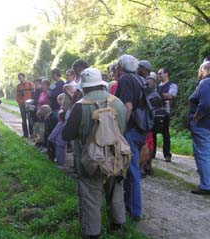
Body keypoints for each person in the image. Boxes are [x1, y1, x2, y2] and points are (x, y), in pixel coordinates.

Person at [62, 68, 127, 238]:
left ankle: (92, 233)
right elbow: (122, 129)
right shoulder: (118, 103)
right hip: (116, 156)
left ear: (84, 87)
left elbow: (66, 135)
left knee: (90, 195)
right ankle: (118, 225)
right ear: (101, 83)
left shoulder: (79, 107)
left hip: (90, 160)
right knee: (116, 189)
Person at [115, 54, 147, 221]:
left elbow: (127, 107)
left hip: (131, 129)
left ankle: (134, 211)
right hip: (141, 128)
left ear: (121, 66)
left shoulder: (126, 79)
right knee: (130, 168)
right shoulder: (140, 79)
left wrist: (121, 129)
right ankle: (130, 206)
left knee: (132, 170)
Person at [188, 61, 210, 195]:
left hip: (203, 125)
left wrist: (195, 119)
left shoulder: (206, 82)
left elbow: (206, 104)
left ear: (204, 70)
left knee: (203, 154)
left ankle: (206, 185)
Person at [152, 68, 178, 162]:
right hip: (155, 112)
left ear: (166, 73)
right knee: (153, 133)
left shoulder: (172, 85)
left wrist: (157, 94)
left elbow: (170, 96)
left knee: (165, 133)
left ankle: (167, 155)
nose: (159, 75)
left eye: (160, 73)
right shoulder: (157, 86)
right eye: (158, 74)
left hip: (165, 112)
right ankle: (152, 153)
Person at [16, 73, 34, 138]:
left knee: (30, 119)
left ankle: (31, 134)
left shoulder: (30, 84)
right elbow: (17, 96)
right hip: (22, 105)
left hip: (29, 104)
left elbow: (33, 94)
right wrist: (20, 102)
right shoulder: (18, 86)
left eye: (20, 78)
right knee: (23, 120)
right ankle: (25, 134)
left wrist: (32, 102)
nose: (20, 79)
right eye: (19, 78)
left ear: (24, 77)